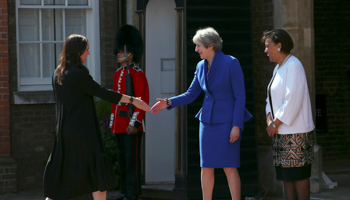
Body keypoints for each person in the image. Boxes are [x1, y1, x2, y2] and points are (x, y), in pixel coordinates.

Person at [43, 34, 150, 200]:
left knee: (61, 176)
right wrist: (132, 100)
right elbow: (103, 92)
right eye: (86, 50)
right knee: (99, 174)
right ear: (78, 51)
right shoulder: (78, 74)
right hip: (83, 132)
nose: (89, 54)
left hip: (64, 132)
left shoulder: (58, 72)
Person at [151, 27, 252, 200]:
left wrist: (237, 125)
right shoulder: (200, 66)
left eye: (199, 46)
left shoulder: (231, 63)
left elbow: (240, 97)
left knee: (229, 167)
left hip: (228, 123)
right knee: (206, 166)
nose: (196, 50)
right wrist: (168, 102)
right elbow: (191, 94)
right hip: (207, 122)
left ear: (210, 46)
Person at [262, 29, 315, 200]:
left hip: (296, 133)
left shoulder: (294, 65)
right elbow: (269, 99)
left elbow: (293, 99)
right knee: (286, 176)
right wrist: (269, 119)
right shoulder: (278, 68)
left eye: (268, 46)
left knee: (298, 176)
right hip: (280, 132)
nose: (265, 51)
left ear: (279, 45)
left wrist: (275, 124)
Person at [107, 25, 149, 200]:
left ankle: (133, 193)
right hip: (119, 124)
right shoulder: (118, 73)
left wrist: (135, 123)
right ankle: (124, 191)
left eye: (121, 52)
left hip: (131, 125)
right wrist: (112, 122)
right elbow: (115, 102)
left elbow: (143, 100)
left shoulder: (137, 74)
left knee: (132, 162)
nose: (118, 54)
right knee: (123, 160)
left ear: (130, 54)